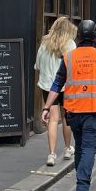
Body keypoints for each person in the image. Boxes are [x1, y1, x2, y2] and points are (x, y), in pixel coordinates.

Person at [42, 20, 96, 191]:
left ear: (79, 37)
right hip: (93, 111)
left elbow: (56, 84)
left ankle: (80, 184)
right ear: (95, 36)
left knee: (80, 147)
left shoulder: (69, 58)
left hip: (73, 112)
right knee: (88, 148)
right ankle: (82, 190)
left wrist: (46, 107)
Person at [34, 16, 77, 166]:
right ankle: (67, 149)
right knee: (66, 118)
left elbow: (38, 66)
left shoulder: (45, 44)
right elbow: (74, 68)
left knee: (52, 119)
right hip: (66, 87)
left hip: (48, 87)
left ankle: (51, 155)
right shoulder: (70, 45)